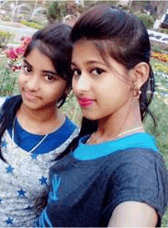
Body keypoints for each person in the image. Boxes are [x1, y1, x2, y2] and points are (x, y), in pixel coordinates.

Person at [36, 5, 168, 227]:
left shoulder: (138, 170)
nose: (79, 86)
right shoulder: (92, 138)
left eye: (97, 71)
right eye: (77, 71)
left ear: (138, 75)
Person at [0, 23, 79, 227]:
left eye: (49, 77)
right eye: (28, 69)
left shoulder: (71, 143)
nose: (31, 85)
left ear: (69, 85)